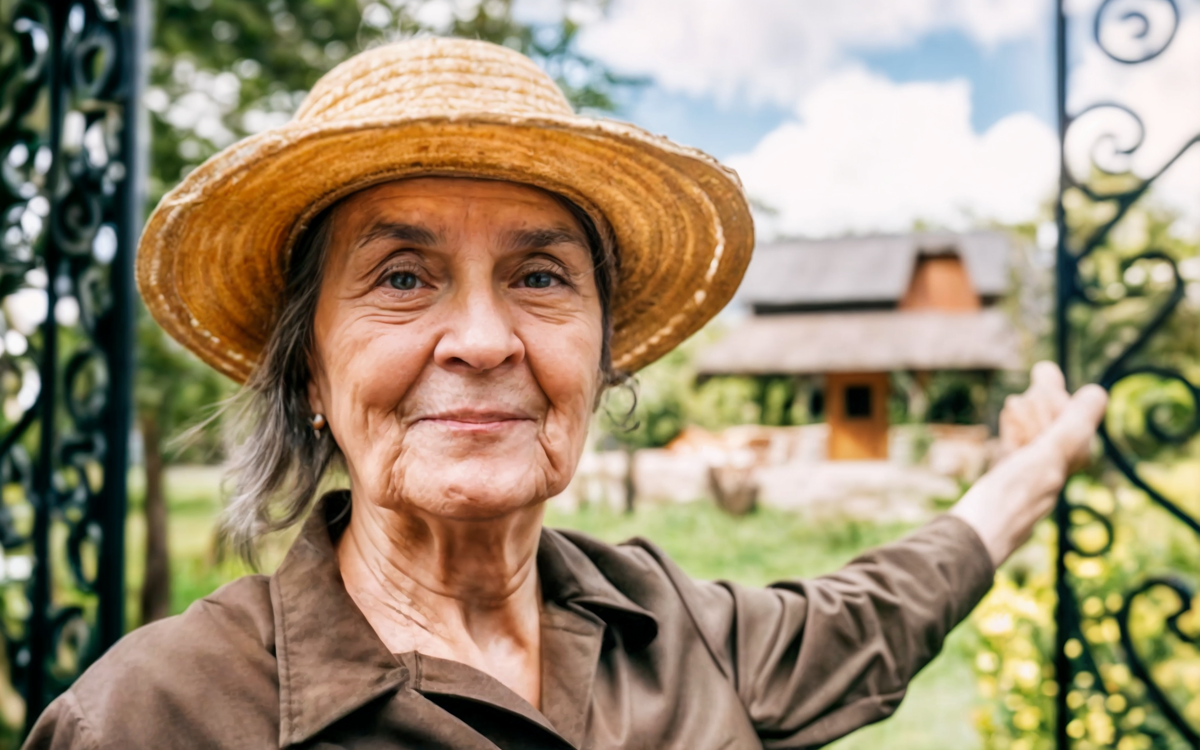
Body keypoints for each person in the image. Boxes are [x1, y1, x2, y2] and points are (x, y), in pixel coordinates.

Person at [25, 37, 1107, 749]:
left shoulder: (681, 634)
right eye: (403, 278)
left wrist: (1036, 464)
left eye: (541, 278)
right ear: (307, 369)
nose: (486, 340)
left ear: (601, 355)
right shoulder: (152, 718)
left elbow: (884, 608)